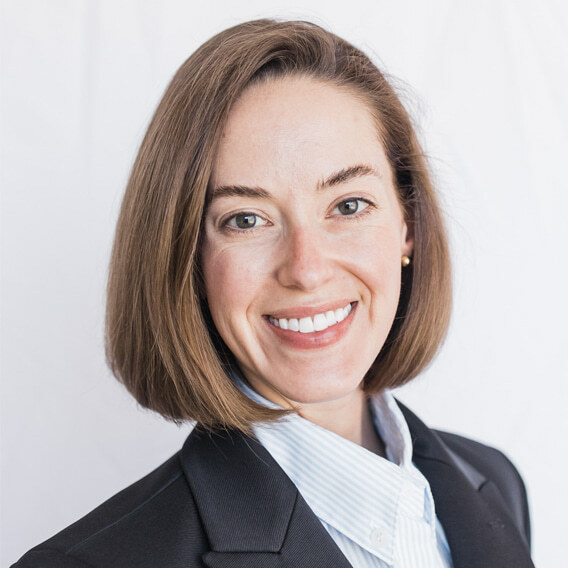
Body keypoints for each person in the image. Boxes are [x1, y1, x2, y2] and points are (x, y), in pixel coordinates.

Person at [12, 18, 535, 568]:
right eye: (245, 219)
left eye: (349, 205)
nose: (306, 270)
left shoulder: (493, 481)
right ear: (186, 259)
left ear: (409, 224)